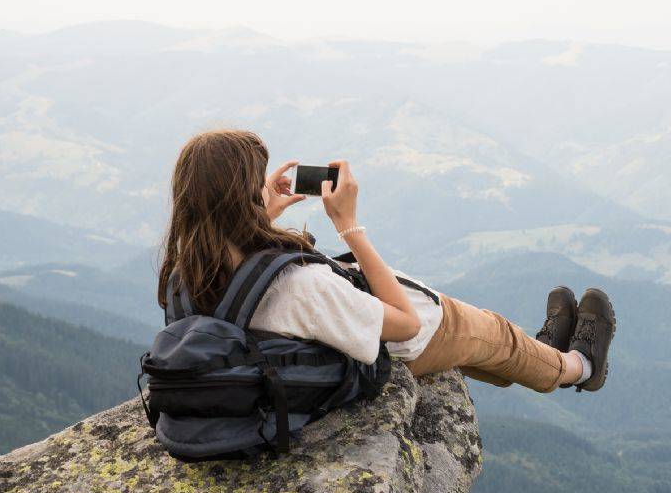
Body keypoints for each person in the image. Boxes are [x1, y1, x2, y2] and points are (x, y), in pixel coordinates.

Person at [157, 129, 615, 394]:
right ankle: (580, 366)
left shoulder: (188, 271)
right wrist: (349, 227)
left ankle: (546, 352)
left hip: (321, 337)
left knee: (504, 353)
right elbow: (406, 324)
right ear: (239, 199)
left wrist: (261, 217)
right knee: (499, 339)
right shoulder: (300, 286)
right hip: (407, 341)